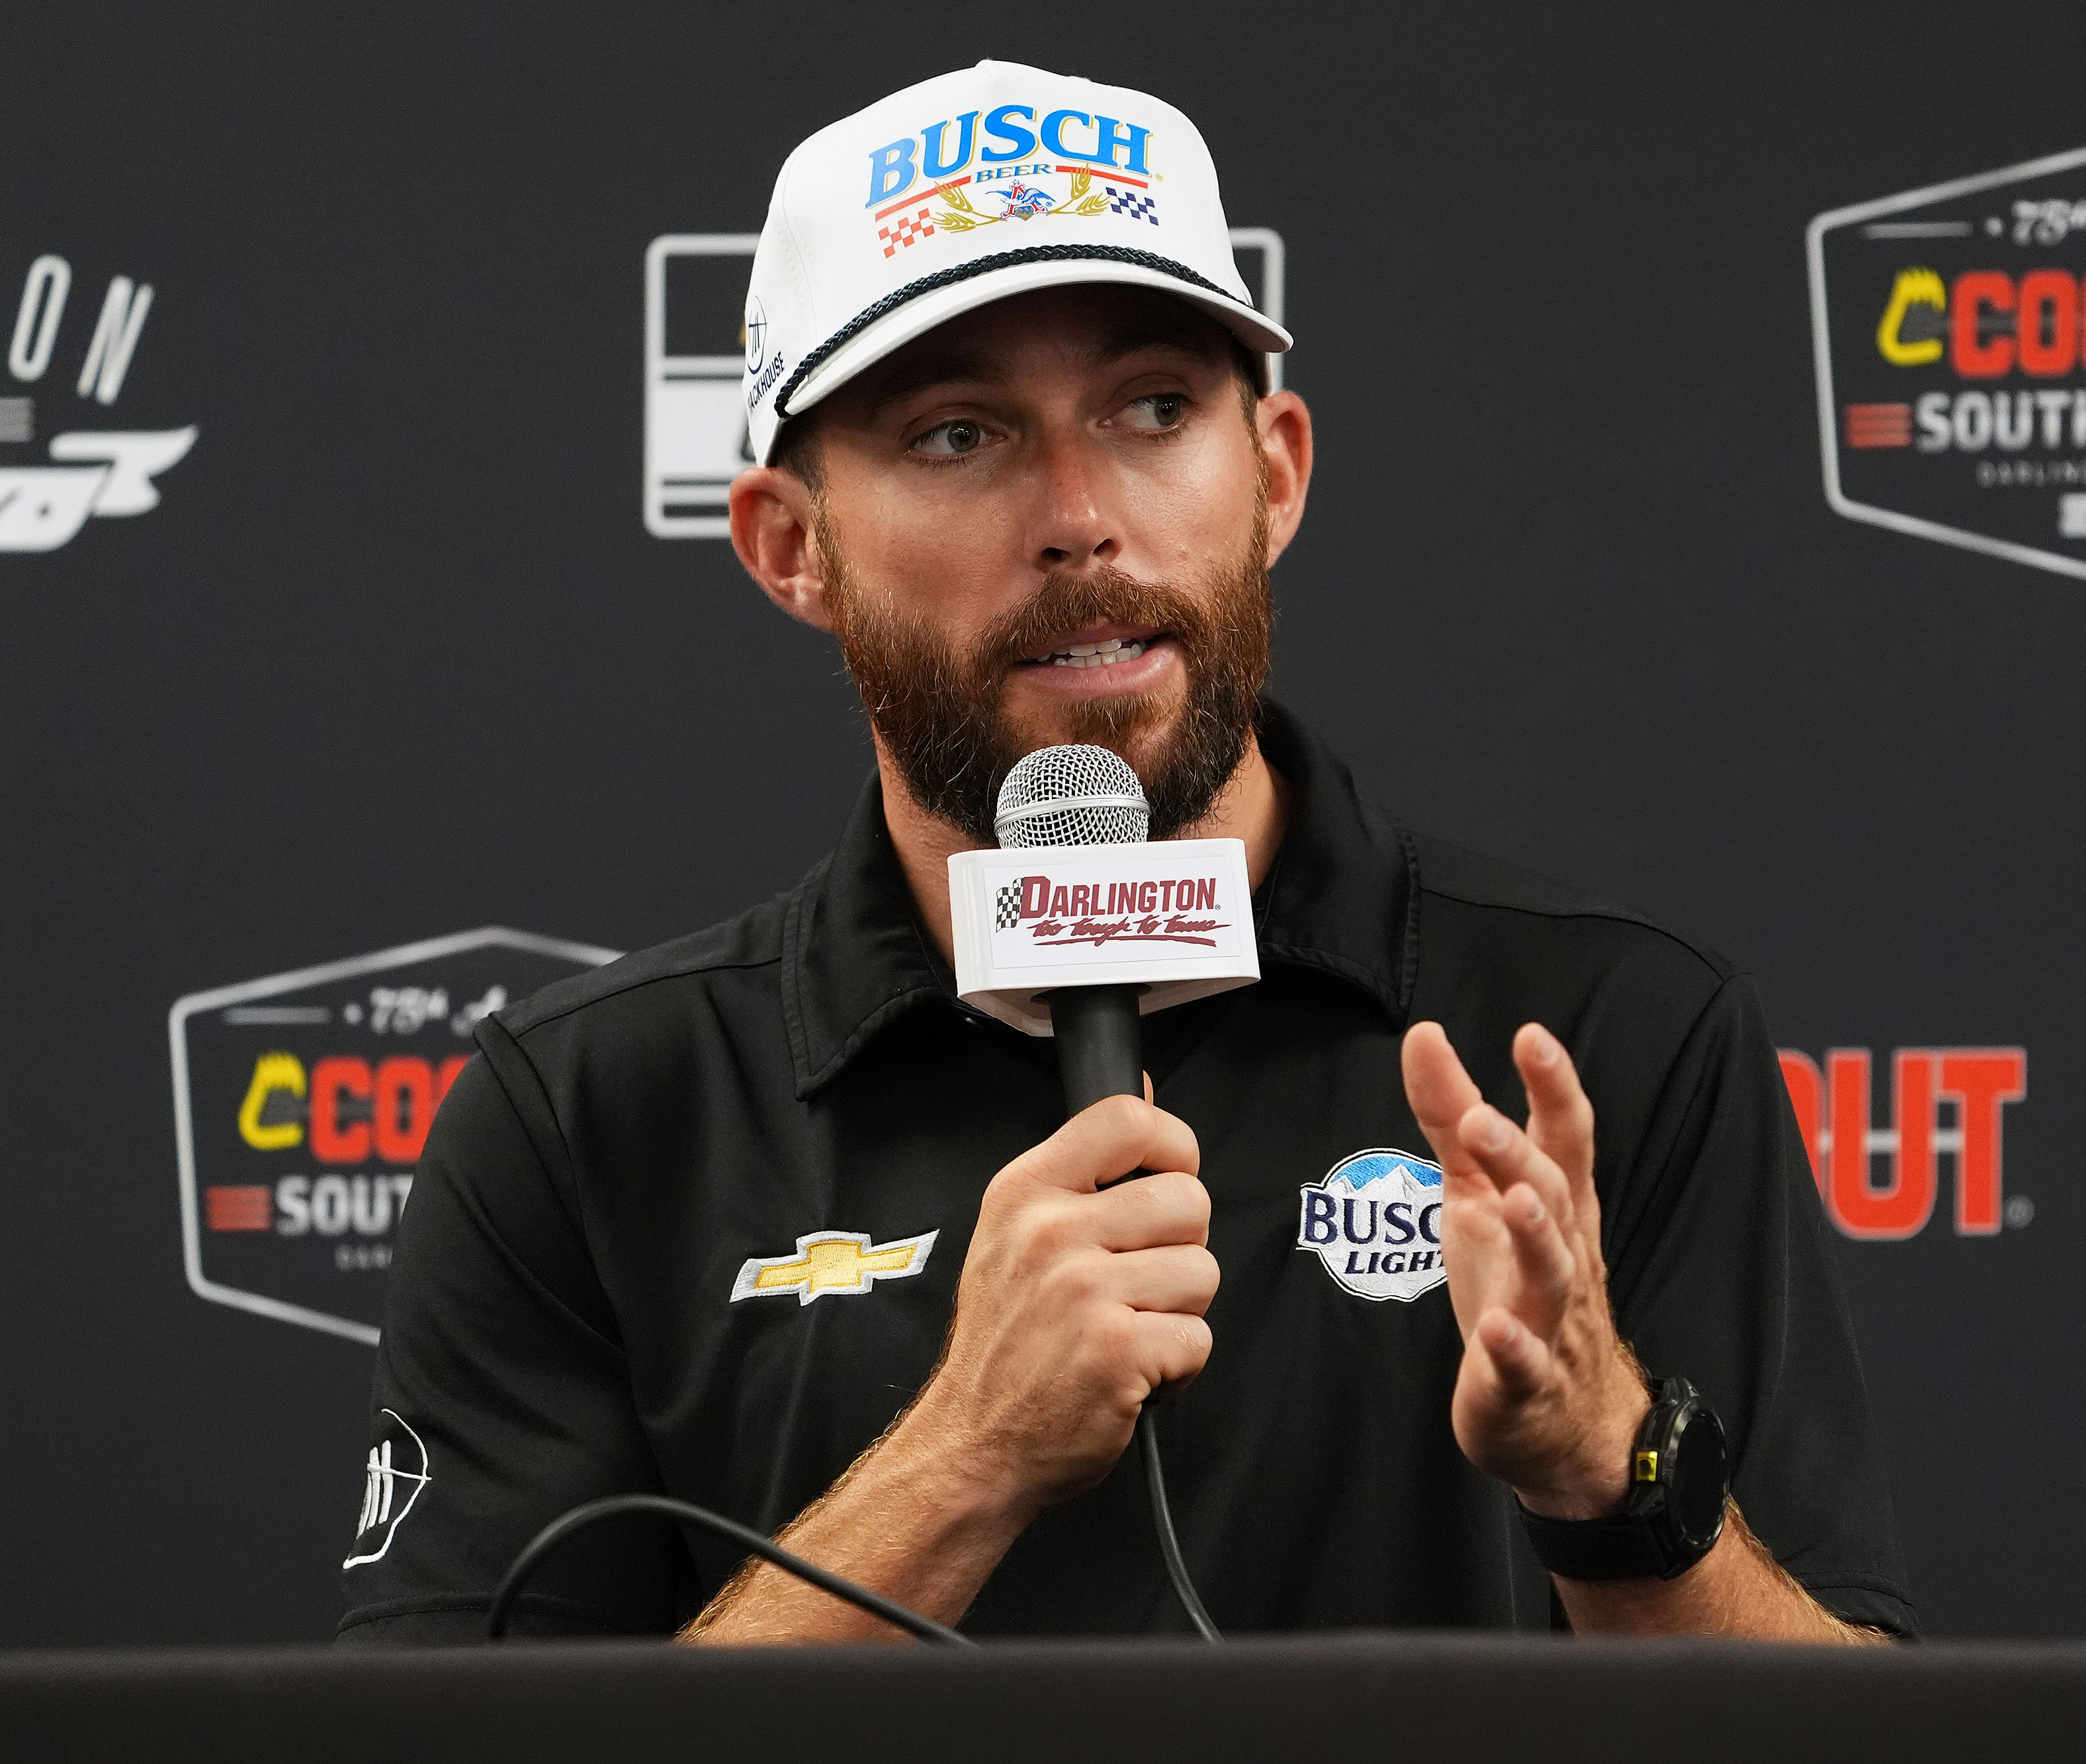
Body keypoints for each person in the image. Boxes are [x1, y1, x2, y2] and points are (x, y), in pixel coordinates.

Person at [334, 60, 1911, 1647]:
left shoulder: (1605, 1034)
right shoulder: (589, 1114)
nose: (1081, 515)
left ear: (1275, 471)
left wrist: (1607, 1467)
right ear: (788, 548)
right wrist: (963, 1456)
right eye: (958, 434)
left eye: (1154, 408)